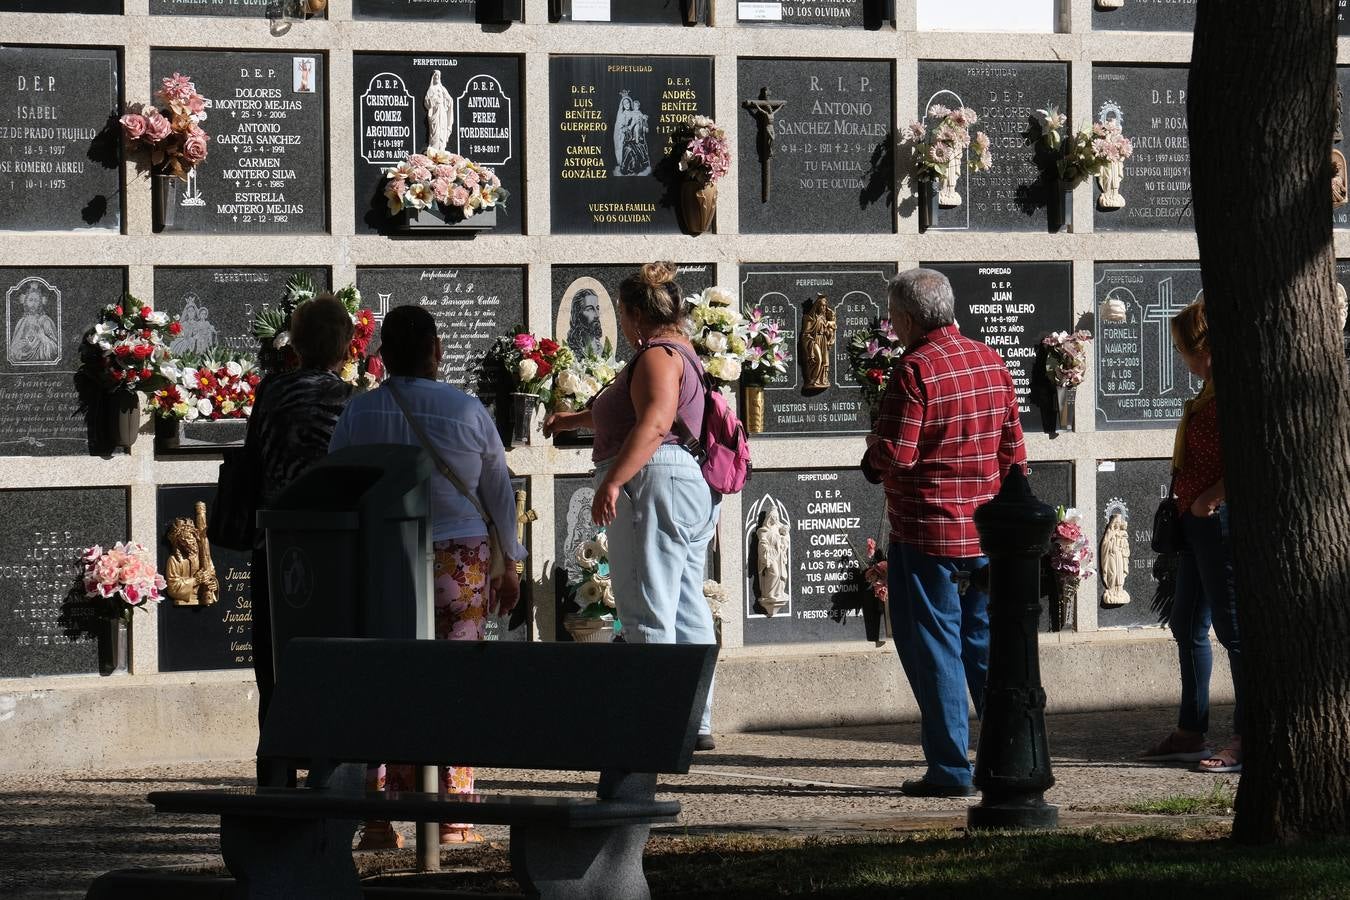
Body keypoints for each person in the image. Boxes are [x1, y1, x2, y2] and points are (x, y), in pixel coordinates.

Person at [329, 304, 526, 848]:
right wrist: (511, 562)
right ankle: (453, 815)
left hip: (384, 554)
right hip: (459, 559)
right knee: (454, 681)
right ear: (438, 350)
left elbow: (337, 482)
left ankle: (376, 820)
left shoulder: (359, 412)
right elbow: (498, 492)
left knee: (383, 679)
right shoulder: (465, 410)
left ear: (381, 356)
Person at [861, 268, 1025, 797]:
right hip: (987, 533)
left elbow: (897, 454)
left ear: (907, 319)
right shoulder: (991, 361)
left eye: (894, 318)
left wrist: (871, 452)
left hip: (926, 533)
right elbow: (1013, 450)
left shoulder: (915, 369)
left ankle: (951, 769)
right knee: (985, 645)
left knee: (935, 648)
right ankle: (1007, 756)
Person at [544, 262, 720, 750]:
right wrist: (574, 419)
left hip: (652, 480)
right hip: (684, 482)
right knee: (686, 604)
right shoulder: (683, 351)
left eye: (621, 312)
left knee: (645, 604)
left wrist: (614, 481)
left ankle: (654, 724)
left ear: (634, 314)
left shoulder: (658, 355)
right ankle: (694, 721)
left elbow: (656, 421)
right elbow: (641, 411)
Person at [243, 294, 355, 734]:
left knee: (273, 651)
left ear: (297, 343)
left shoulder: (270, 389)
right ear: (346, 345)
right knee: (330, 649)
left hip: (272, 536)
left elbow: (255, 457)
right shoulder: (348, 398)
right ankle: (329, 751)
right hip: (328, 540)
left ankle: (274, 756)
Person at [1139, 298, 1242, 774]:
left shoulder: (1233, 395)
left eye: (1183, 349)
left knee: (1234, 630)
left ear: (1204, 349)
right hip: (1194, 524)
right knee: (1186, 623)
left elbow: (1247, 459)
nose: (1181, 358)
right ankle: (1190, 729)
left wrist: (1210, 499)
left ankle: (1249, 736)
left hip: (1217, 522)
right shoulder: (1208, 392)